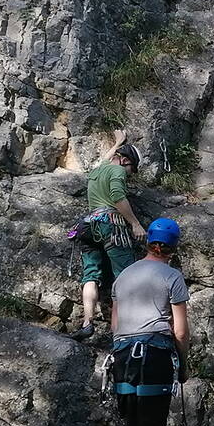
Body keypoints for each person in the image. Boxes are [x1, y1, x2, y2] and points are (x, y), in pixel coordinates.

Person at [108, 217, 189, 426]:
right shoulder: (172, 276)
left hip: (122, 358)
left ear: (148, 243)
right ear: (173, 246)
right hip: (154, 357)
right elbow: (180, 330)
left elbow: (115, 327)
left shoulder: (123, 276)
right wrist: (183, 365)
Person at [71, 130, 146, 340]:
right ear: (125, 161)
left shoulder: (99, 170)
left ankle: (87, 323)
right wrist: (135, 224)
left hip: (88, 227)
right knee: (125, 276)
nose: (131, 173)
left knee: (90, 275)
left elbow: (107, 158)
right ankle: (122, 330)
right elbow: (117, 196)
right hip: (111, 225)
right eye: (132, 168)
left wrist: (118, 142)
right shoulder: (118, 172)